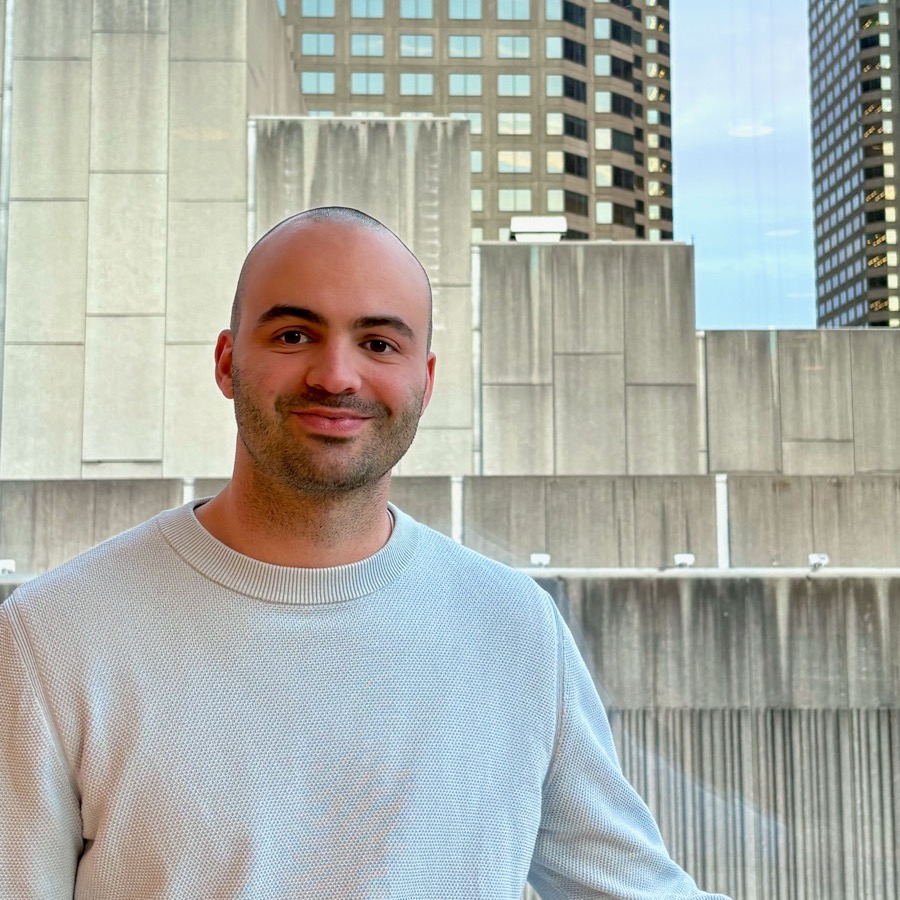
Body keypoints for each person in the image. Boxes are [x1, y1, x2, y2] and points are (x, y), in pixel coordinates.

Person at [0, 208, 730, 899]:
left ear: (426, 381)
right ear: (227, 363)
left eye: (379, 343)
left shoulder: (516, 630)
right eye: (293, 335)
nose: (337, 376)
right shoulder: (51, 638)